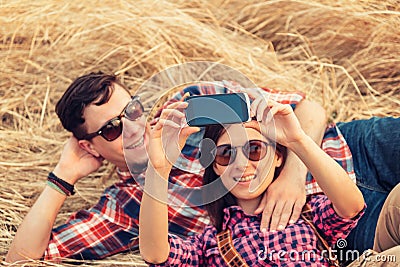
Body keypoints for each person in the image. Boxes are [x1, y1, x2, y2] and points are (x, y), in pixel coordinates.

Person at [5, 73, 327, 262]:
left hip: (348, 146)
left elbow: (309, 109)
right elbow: (20, 260)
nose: (133, 127)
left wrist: (294, 175)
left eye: (132, 109)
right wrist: (63, 176)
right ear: (90, 146)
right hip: (324, 234)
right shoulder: (125, 207)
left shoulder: (193, 104)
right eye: (112, 129)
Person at [139, 96, 368, 265]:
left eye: (255, 149)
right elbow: (156, 254)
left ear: (277, 157)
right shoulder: (209, 244)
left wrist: (298, 140)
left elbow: (352, 207)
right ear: (216, 168)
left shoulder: (305, 212)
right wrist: (158, 169)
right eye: (226, 154)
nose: (240, 164)